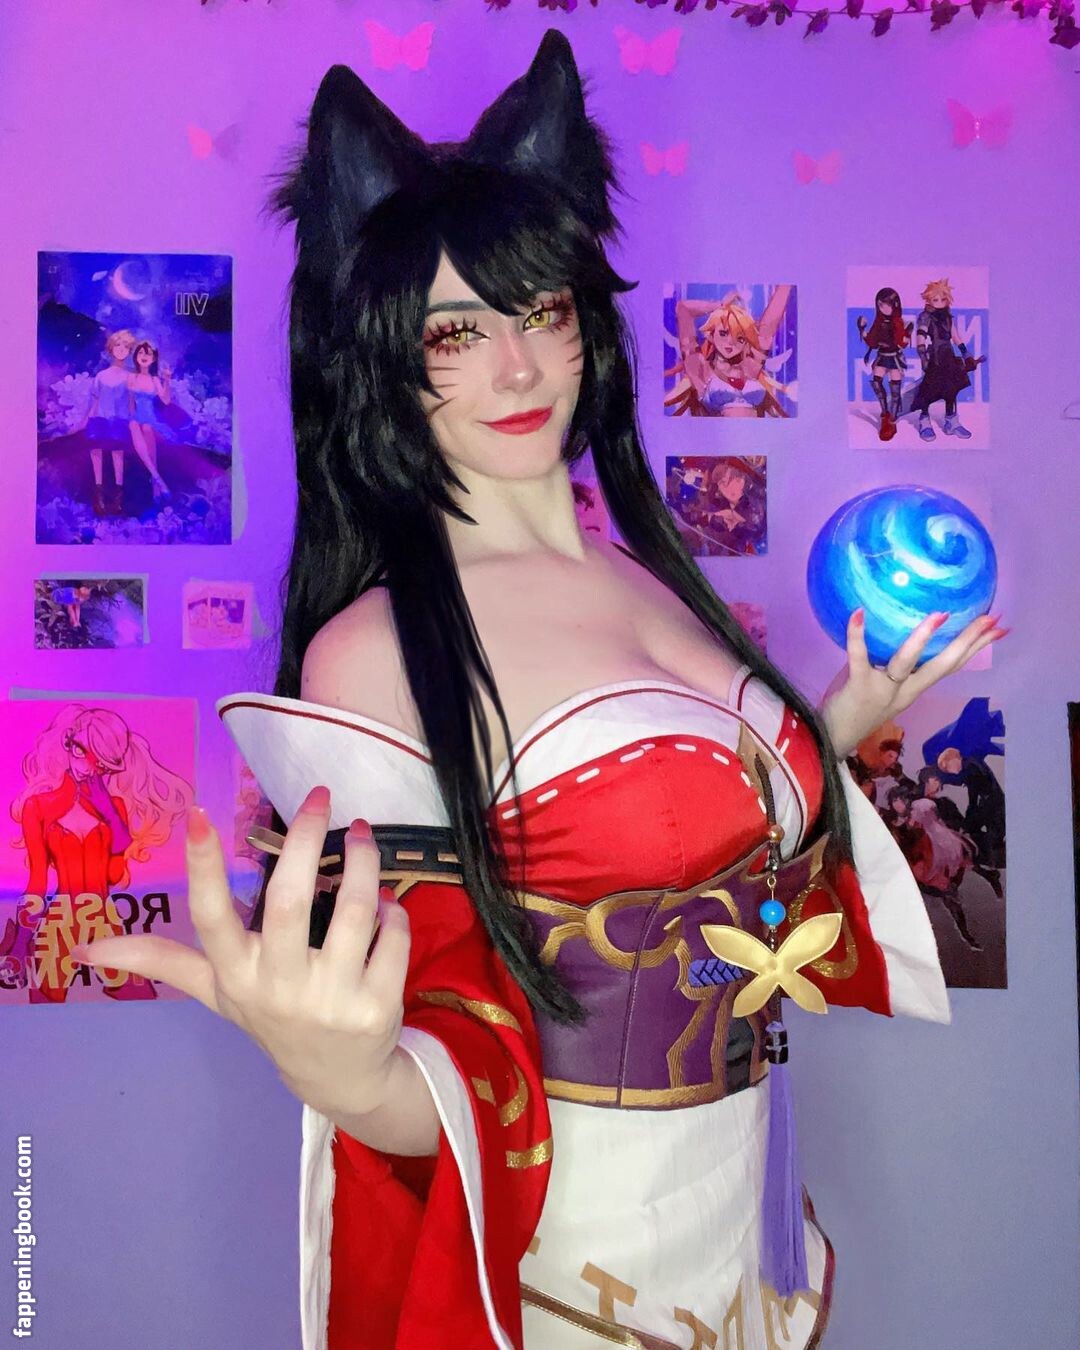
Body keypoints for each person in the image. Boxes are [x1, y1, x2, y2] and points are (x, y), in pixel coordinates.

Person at [69, 32, 1008, 1350]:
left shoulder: (653, 579)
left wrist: (829, 726)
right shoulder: (374, 652)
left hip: (744, 1197)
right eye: (455, 332)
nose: (516, 368)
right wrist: (347, 1073)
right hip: (573, 1246)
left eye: (542, 311)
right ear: (380, 354)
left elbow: (723, 863)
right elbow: (453, 1036)